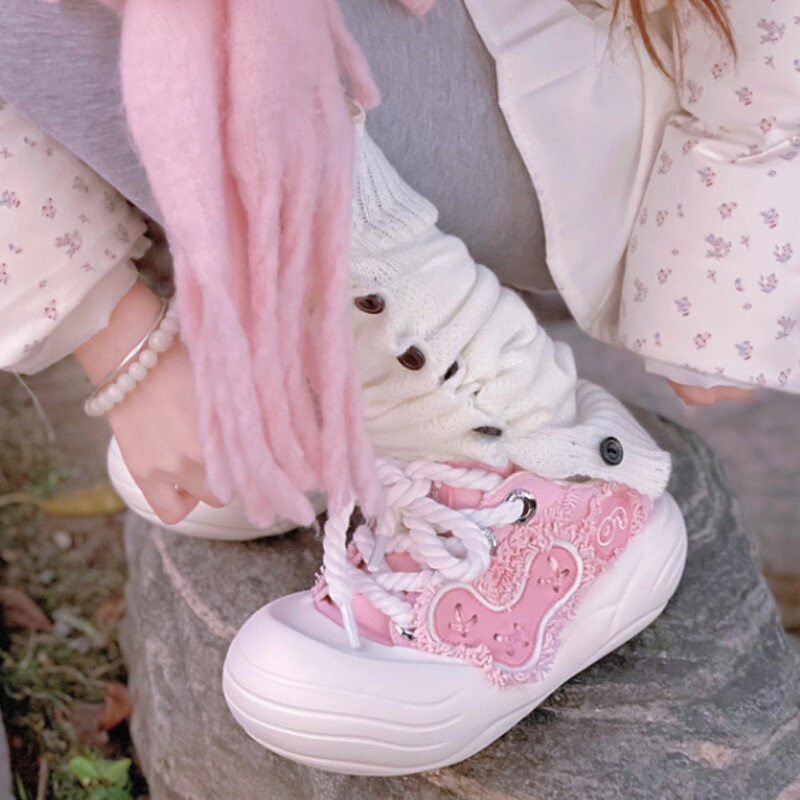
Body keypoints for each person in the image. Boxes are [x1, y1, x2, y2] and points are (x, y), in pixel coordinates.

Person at [0, 0, 792, 776]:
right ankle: (345, 363)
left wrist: (718, 267)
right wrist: (115, 334)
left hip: (591, 84)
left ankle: (527, 439)